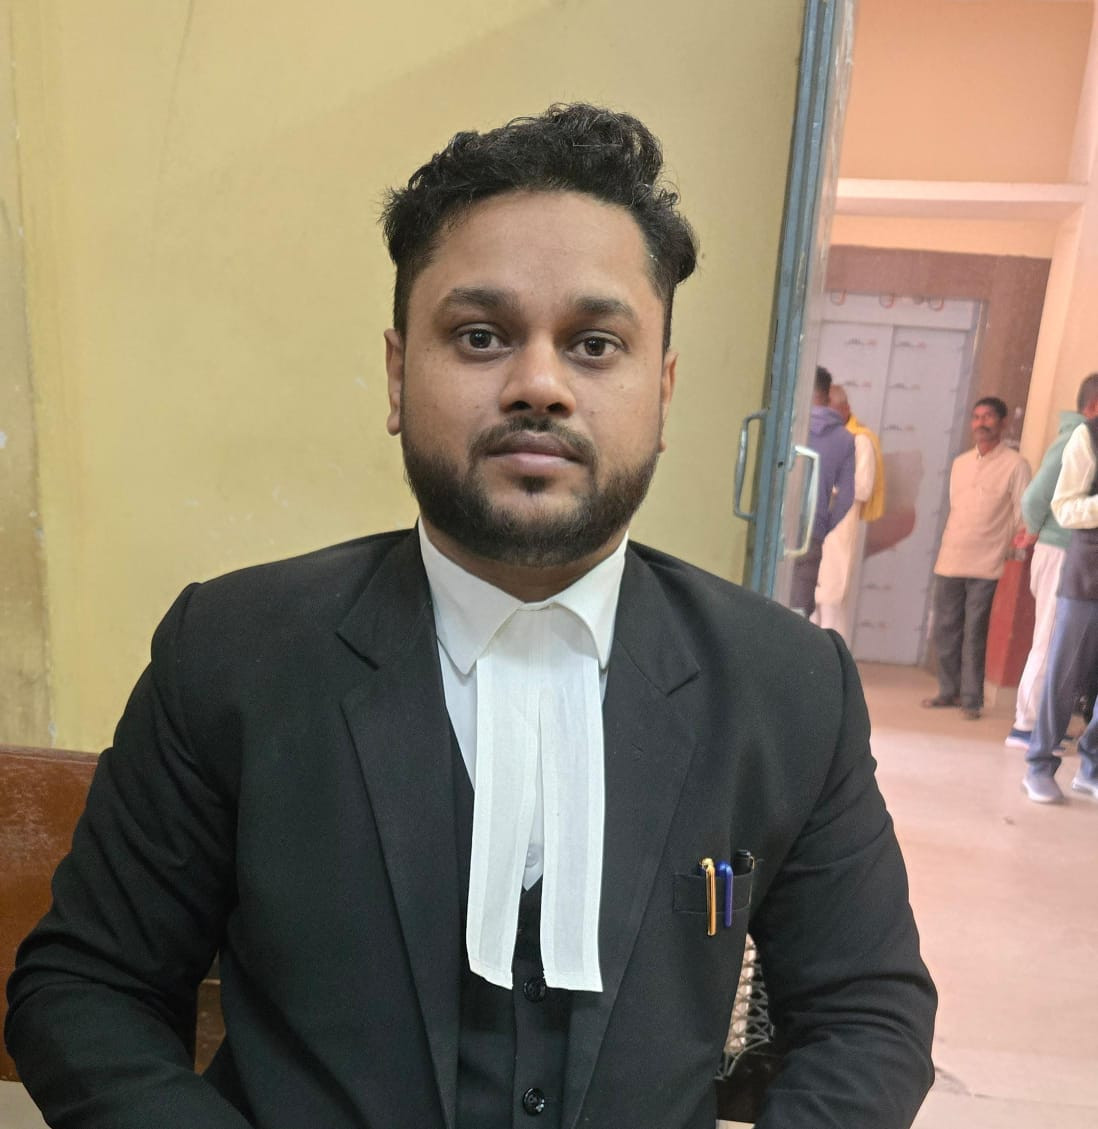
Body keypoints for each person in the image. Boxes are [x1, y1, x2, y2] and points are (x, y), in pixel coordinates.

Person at [6, 104, 936, 1129]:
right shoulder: (230, 653)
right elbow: (84, 990)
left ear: (663, 392)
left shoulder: (788, 684)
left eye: (595, 344)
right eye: (481, 336)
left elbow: (869, 1014)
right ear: (398, 373)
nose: (539, 385)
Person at [1005, 375, 1098, 749]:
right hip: (1062, 550)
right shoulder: (1075, 438)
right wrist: (1034, 529)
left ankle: (1042, 726)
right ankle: (1026, 726)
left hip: (1070, 551)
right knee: (1050, 640)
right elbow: (1035, 498)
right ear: (1093, 407)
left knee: (1059, 642)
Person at [923, 398, 1030, 720]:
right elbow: (957, 506)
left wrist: (1008, 546)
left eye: (989, 417)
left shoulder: (1015, 464)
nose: (981, 423)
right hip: (951, 556)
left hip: (987, 563)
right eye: (977, 417)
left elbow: (1022, 512)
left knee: (974, 632)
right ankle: (948, 691)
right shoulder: (961, 463)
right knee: (946, 628)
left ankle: (971, 700)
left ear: (1003, 423)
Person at [1022, 409, 1098, 804]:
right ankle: (1038, 765)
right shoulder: (1088, 437)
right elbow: (1065, 507)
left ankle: (1091, 768)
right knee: (1064, 675)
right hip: (1088, 577)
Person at [812, 384, 885, 643]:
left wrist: (829, 484)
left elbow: (862, 488)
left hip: (840, 524)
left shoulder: (859, 440)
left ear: (846, 409)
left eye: (832, 410)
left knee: (831, 599)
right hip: (818, 522)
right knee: (813, 600)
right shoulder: (822, 436)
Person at [789, 366, 855, 618]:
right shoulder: (845, 439)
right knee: (797, 613)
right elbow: (846, 498)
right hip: (811, 534)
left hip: (777, 529)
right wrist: (822, 526)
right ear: (828, 397)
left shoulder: (789, 424)